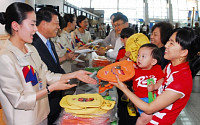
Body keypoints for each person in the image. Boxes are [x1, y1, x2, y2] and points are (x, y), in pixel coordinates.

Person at [0, 2, 97, 125]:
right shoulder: (6, 58)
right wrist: (51, 88)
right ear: (15, 26)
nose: (36, 29)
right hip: (24, 119)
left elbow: (47, 75)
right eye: (32, 24)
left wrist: (74, 75)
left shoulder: (31, 49)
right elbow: (19, 100)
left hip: (42, 114)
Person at [111, 27, 200, 124]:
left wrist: (124, 89)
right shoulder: (171, 66)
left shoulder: (181, 81)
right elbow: (157, 79)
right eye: (168, 41)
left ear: (184, 52)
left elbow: (149, 109)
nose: (166, 45)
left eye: (171, 43)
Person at [132, 43, 164, 125]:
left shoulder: (157, 69)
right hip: (140, 99)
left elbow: (161, 79)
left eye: (143, 56)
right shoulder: (135, 69)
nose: (139, 58)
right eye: (138, 55)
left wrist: (155, 86)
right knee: (146, 117)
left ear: (153, 61)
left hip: (154, 98)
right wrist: (129, 66)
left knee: (155, 118)